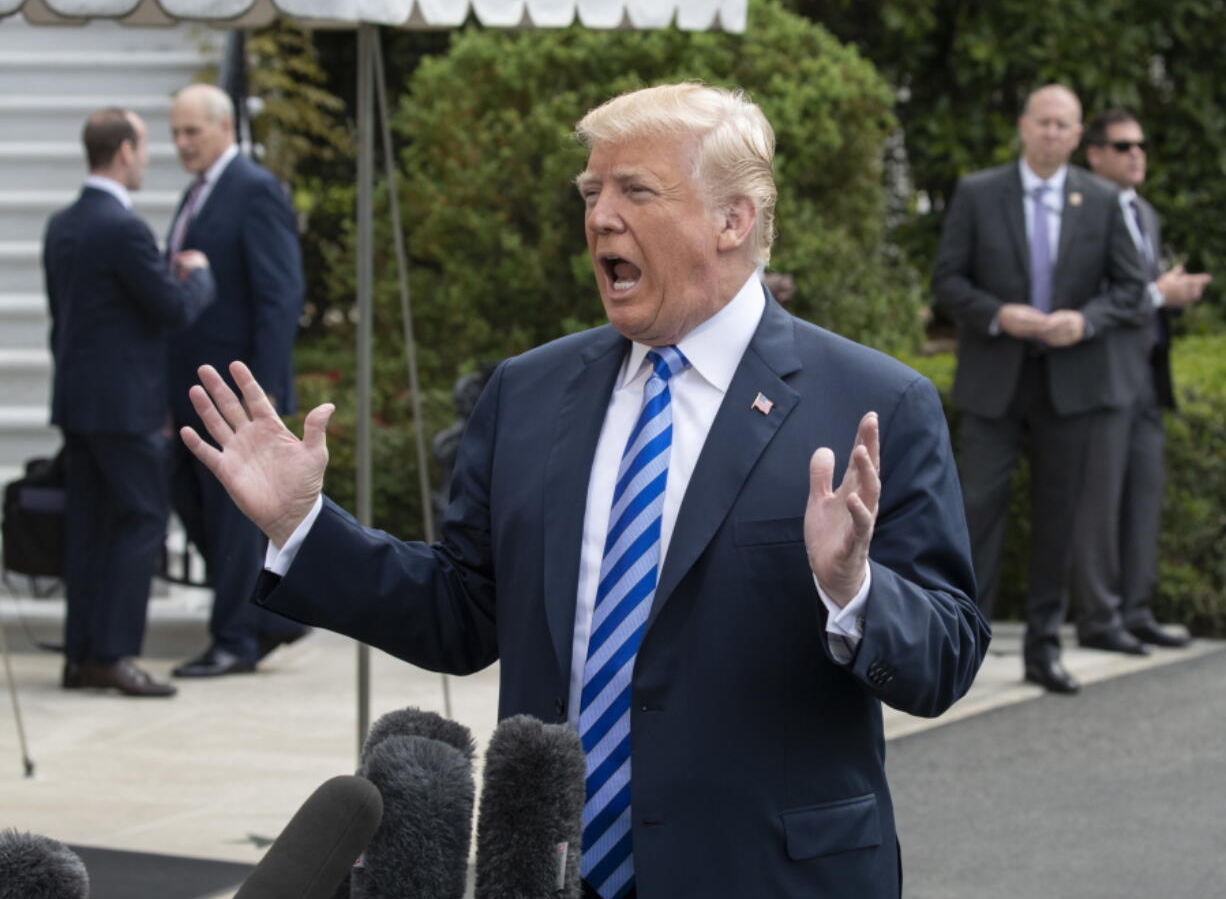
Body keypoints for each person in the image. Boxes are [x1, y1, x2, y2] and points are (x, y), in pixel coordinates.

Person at [181, 84, 988, 897]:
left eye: (636, 191)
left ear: (733, 220)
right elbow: (464, 613)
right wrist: (303, 525)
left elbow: (946, 655)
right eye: (592, 192)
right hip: (549, 871)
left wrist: (853, 593)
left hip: (767, 875)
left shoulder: (872, 404)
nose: (601, 216)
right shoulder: (529, 393)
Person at [932, 84, 1147, 695]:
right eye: (1043, 122)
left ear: (1079, 136)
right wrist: (1001, 314)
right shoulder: (978, 192)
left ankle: (1044, 649)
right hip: (994, 380)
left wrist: (1087, 321)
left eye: (1064, 125)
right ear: (1023, 126)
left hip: (1071, 383)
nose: (1053, 133)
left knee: (1058, 520)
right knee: (974, 516)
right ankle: (956, 649)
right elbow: (947, 282)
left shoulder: (1104, 200)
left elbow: (1132, 289)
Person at [45, 108, 215, 697]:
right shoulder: (123, 228)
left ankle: (82, 656)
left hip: (77, 401)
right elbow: (170, 308)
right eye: (143, 148)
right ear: (121, 151)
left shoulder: (62, 224)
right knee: (142, 519)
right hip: (124, 405)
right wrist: (197, 275)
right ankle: (114, 654)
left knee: (89, 527)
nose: (147, 158)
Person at [164, 83, 308, 678]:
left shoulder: (252, 190)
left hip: (238, 394)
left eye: (192, 131)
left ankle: (235, 640)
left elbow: (280, 294)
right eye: (175, 133)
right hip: (195, 390)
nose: (182, 144)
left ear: (225, 127)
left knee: (229, 519)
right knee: (189, 500)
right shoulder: (197, 195)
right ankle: (272, 619)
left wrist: (265, 390)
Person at [1073, 109, 1211, 650]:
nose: (1137, 154)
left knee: (1143, 497)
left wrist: (1167, 293)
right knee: (1100, 502)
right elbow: (1094, 297)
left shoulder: (1145, 213)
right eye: (1123, 144)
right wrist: (1159, 294)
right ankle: (1099, 619)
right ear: (1096, 155)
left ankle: (1137, 609)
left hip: (1149, 375)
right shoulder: (1081, 213)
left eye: (1142, 144)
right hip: (1103, 375)